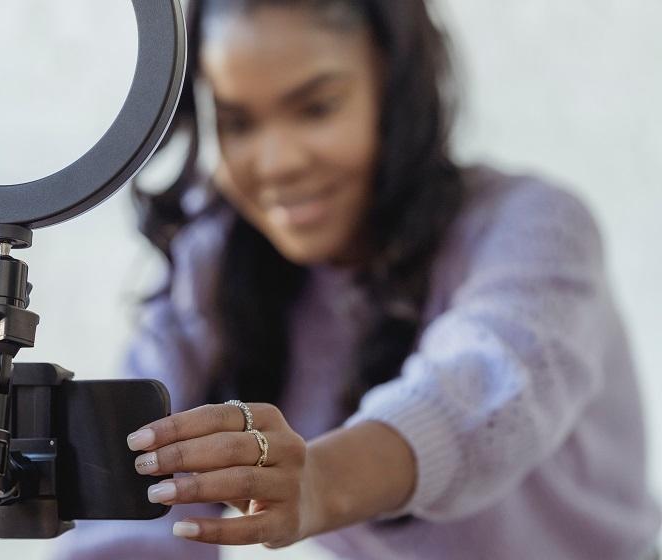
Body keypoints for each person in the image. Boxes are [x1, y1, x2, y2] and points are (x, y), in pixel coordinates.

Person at [51, 0, 660, 558]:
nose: (278, 162)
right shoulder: (212, 268)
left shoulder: (533, 226)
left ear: (394, 90)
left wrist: (321, 480)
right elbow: (132, 519)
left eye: (317, 107)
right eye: (237, 123)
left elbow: (482, 388)